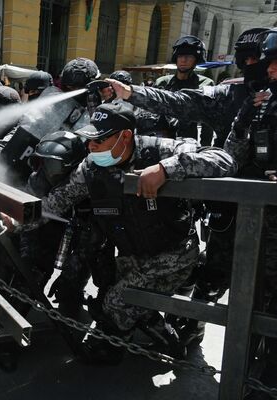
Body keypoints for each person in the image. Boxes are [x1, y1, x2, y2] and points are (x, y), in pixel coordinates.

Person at [10, 102, 236, 364]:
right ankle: (152, 329)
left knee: (115, 303)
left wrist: (165, 170)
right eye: (90, 140)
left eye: (99, 140)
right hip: (131, 256)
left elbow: (223, 159)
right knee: (107, 297)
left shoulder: (159, 150)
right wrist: (14, 220)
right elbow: (57, 201)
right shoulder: (91, 167)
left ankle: (149, 341)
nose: (91, 146)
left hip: (173, 257)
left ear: (125, 136)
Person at [107, 27, 270, 345]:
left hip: (269, 215)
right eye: (246, 58)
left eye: (261, 59)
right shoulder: (231, 94)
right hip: (226, 202)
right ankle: (191, 326)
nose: (256, 66)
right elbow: (180, 102)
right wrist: (132, 94)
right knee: (213, 275)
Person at [224, 29, 277, 396]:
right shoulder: (265, 104)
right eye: (270, 66)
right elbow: (234, 155)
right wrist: (244, 119)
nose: (271, 73)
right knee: (256, 295)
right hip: (261, 224)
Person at [153, 35, 215, 145]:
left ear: (196, 60)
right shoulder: (162, 83)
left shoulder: (205, 85)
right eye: (180, 56)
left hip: (188, 143)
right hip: (161, 140)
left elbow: (208, 123)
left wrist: (205, 149)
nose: (183, 60)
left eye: (189, 56)